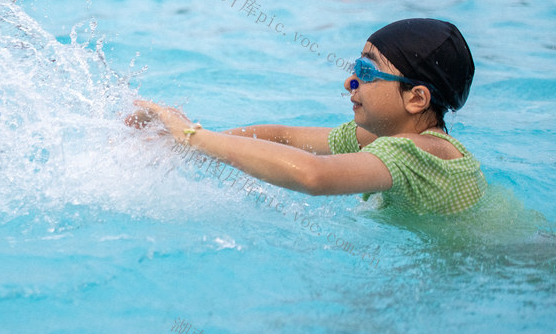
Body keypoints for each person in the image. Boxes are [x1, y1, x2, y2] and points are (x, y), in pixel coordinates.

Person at [128, 19, 485, 216]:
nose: (350, 81)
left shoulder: (420, 152)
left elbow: (313, 176)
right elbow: (285, 136)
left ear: (416, 98)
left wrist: (191, 135)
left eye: (367, 70)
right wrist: (185, 142)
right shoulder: (382, 138)